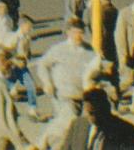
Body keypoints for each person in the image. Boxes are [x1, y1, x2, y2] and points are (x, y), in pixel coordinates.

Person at [36, 18, 103, 150]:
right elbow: (42, 64)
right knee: (67, 122)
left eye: (81, 33)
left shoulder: (89, 51)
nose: (78, 36)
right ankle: (41, 144)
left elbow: (95, 70)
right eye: (75, 32)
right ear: (68, 33)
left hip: (83, 97)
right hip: (64, 95)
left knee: (78, 129)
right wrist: (47, 82)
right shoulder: (59, 49)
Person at [60, 87, 134, 150]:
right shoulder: (77, 126)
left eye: (98, 113)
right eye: (90, 113)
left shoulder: (129, 133)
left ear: (107, 108)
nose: (94, 118)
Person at [4, 16, 40, 120]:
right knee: (7, 91)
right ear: (22, 25)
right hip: (12, 67)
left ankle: (32, 110)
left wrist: (27, 56)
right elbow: (6, 53)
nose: (30, 29)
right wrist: (15, 61)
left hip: (21, 67)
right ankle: (7, 112)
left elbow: (26, 52)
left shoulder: (27, 37)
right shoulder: (14, 38)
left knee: (31, 85)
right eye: (29, 26)